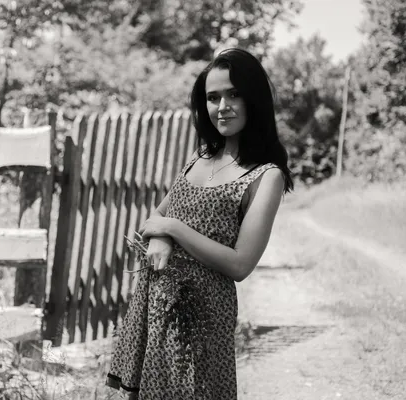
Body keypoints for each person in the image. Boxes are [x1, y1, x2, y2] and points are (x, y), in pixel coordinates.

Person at [105, 48, 294, 399]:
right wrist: (161, 237)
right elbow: (154, 219)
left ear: (254, 98)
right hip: (157, 300)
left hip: (204, 312)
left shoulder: (266, 176)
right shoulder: (201, 157)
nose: (222, 105)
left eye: (234, 94)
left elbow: (240, 264)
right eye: (213, 97)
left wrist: (174, 230)